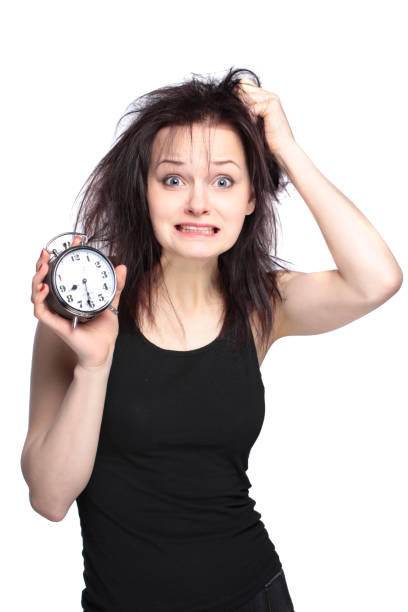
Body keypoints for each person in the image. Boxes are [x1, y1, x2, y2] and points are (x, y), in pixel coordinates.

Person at [21, 67, 403, 612]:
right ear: (144, 191)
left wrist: (285, 149)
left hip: (253, 594)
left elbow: (378, 280)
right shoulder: (79, 316)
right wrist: (95, 366)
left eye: (224, 180)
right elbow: (51, 499)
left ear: (251, 197)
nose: (199, 203)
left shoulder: (261, 305)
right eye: (173, 179)